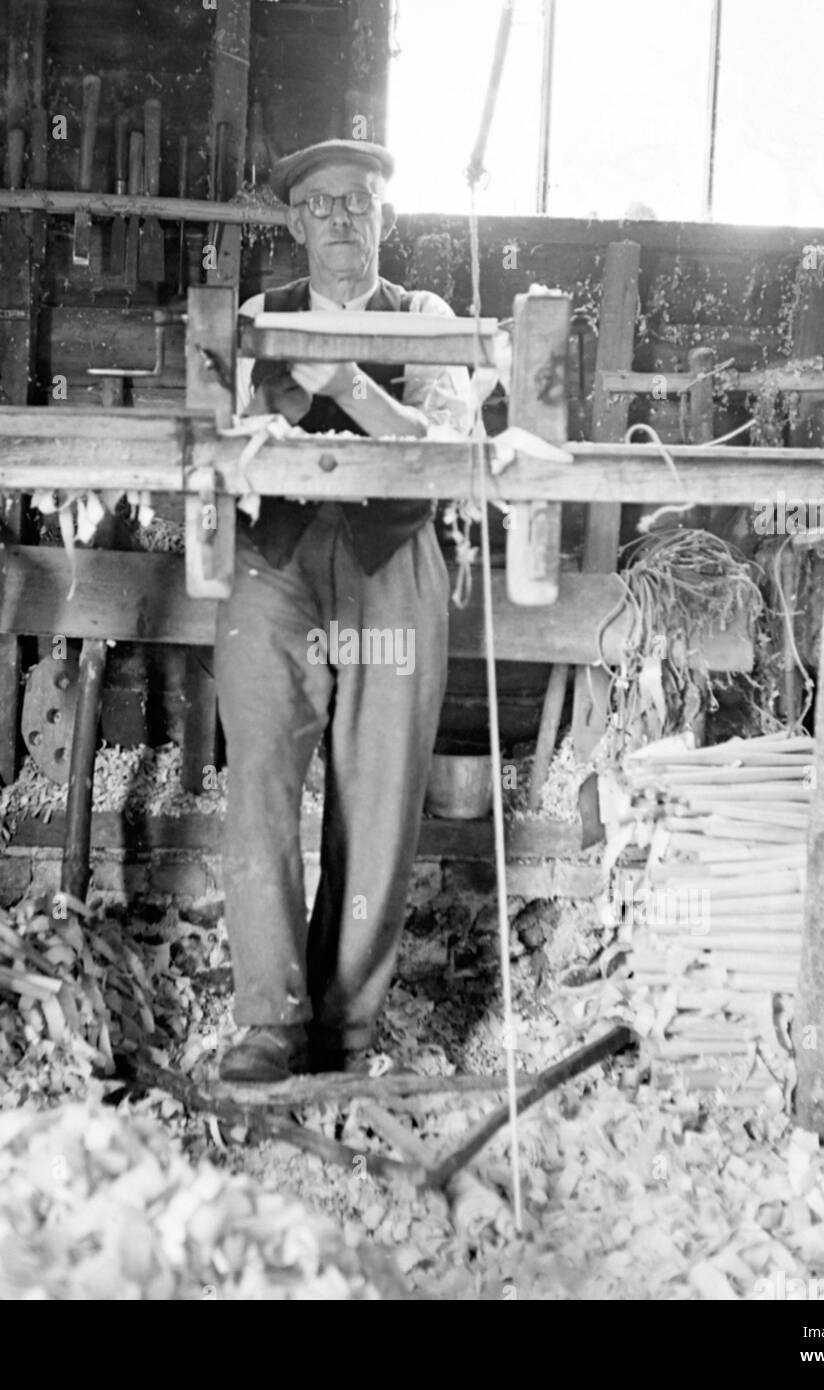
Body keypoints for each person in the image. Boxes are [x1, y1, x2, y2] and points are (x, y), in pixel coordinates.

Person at [215, 137, 470, 1082]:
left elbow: (446, 446)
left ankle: (346, 1029)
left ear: (383, 219)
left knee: (379, 784)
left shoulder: (428, 318)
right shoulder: (254, 316)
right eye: (318, 204)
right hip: (275, 555)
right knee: (261, 778)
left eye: (356, 202)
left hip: (390, 555)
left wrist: (348, 384)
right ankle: (270, 1021)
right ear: (294, 222)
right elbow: (223, 432)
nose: (338, 219)